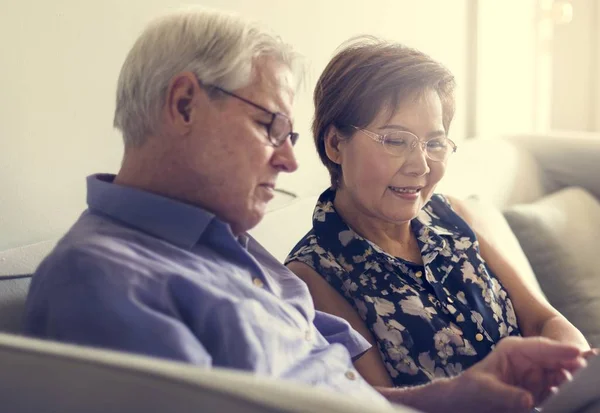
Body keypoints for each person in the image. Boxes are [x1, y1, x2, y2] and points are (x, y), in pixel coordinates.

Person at [24, 9, 586, 413]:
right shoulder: (101, 277)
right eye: (270, 127)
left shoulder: (236, 252)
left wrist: (456, 395)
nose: (292, 161)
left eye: (290, 134)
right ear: (184, 104)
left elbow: (349, 396)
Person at [285, 37, 591, 389]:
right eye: (396, 141)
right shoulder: (312, 275)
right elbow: (378, 404)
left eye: (434, 143)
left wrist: (578, 365)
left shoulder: (453, 215)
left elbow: (542, 322)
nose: (421, 166)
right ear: (335, 144)